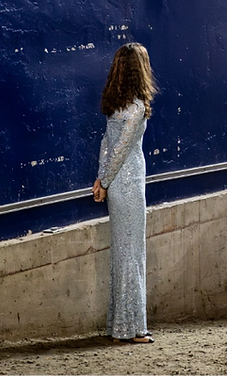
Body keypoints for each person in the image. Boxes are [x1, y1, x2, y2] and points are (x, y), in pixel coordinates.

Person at [92, 43, 158, 343]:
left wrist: (101, 179)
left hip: (116, 184)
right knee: (132, 255)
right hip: (129, 185)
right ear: (140, 70)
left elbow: (107, 144)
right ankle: (133, 329)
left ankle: (118, 327)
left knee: (122, 254)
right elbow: (121, 151)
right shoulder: (136, 109)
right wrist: (104, 181)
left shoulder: (115, 106)